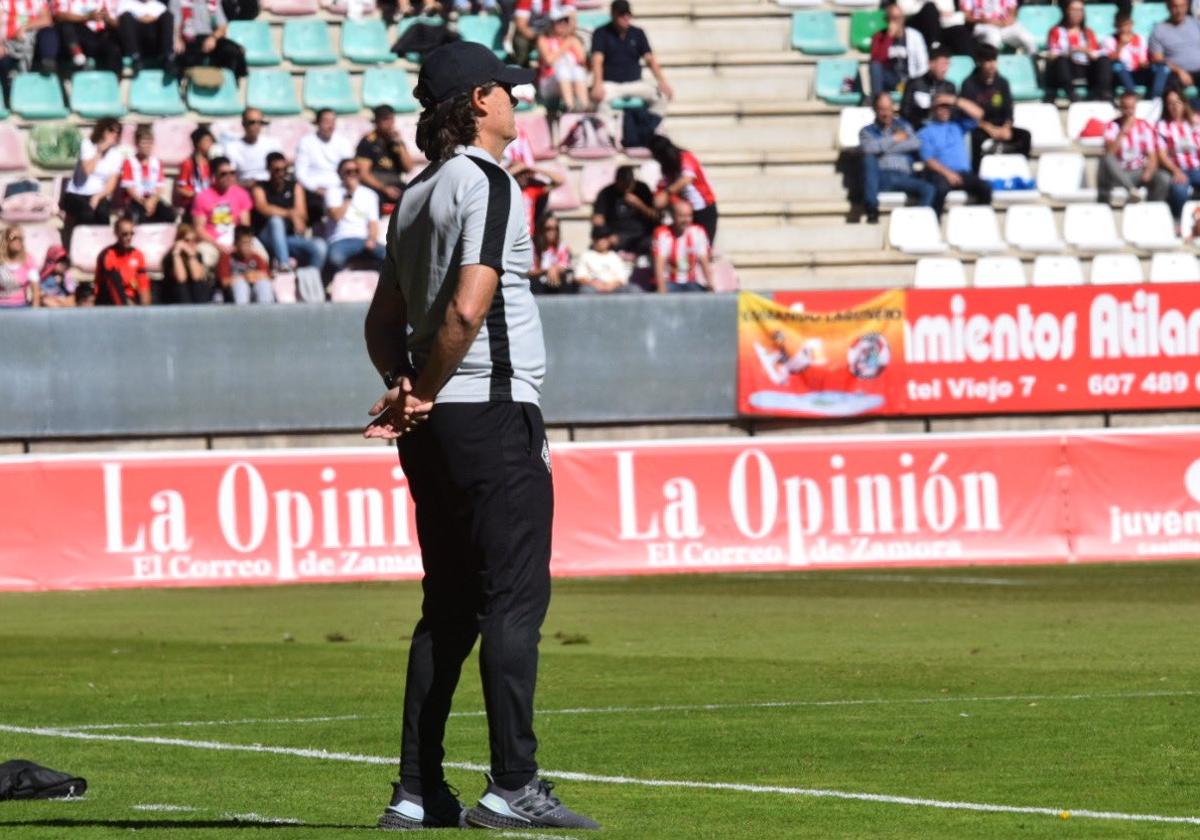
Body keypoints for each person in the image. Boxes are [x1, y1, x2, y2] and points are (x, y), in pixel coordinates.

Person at [362, 40, 598, 833]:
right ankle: (514, 784)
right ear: (478, 103)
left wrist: (405, 390)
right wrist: (422, 391)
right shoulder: (488, 183)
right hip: (489, 413)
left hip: (434, 426)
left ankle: (416, 789)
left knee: (449, 608)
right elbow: (468, 309)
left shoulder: (415, 190)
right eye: (507, 91)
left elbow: (383, 319)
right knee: (513, 601)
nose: (517, 102)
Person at [859, 92, 936, 224]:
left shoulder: (904, 126)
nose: (886, 113)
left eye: (889, 108)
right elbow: (868, 148)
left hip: (904, 176)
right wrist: (895, 139)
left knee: (929, 189)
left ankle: (919, 225)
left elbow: (915, 143)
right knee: (868, 159)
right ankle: (872, 210)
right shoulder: (866, 131)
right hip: (882, 177)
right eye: (882, 109)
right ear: (875, 110)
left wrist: (882, 148)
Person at [589, 0, 672, 117]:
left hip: (635, 83)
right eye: (621, 14)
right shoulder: (601, 33)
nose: (626, 18)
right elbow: (597, 60)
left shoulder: (638, 33)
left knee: (662, 97)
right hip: (611, 85)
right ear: (613, 14)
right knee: (599, 101)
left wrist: (662, 82)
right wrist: (597, 84)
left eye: (628, 14)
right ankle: (611, 134)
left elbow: (649, 59)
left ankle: (646, 130)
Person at [959, 43, 1031, 171]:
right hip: (981, 128)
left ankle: (1019, 170)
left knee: (1025, 136)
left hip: (1002, 127)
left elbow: (1009, 109)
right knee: (976, 139)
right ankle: (977, 172)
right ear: (980, 62)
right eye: (988, 61)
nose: (992, 65)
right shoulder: (969, 84)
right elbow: (969, 116)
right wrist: (991, 129)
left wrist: (1006, 127)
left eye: (994, 60)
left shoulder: (1002, 82)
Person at [918, 91, 990, 216]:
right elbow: (928, 159)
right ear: (933, 109)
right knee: (939, 189)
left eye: (947, 107)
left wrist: (953, 100)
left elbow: (979, 114)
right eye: (940, 107)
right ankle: (935, 223)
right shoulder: (925, 132)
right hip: (940, 173)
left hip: (963, 173)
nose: (944, 110)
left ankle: (979, 221)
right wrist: (948, 174)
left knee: (985, 188)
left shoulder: (957, 126)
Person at [252, 151, 326, 271]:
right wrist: (290, 214)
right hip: (266, 237)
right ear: (268, 169)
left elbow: (302, 214)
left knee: (320, 246)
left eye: (284, 169)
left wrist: (297, 218)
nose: (281, 173)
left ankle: (311, 279)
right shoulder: (260, 187)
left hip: (287, 238)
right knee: (276, 221)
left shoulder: (294, 187)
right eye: (276, 170)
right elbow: (263, 208)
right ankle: (284, 265)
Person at [61, 117, 124, 247]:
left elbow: (111, 184)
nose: (114, 135)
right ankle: (80, 247)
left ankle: (102, 247)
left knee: (103, 212)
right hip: (76, 193)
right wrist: (99, 152)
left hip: (97, 193)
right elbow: (87, 171)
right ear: (102, 131)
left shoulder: (117, 155)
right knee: (86, 213)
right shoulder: (87, 145)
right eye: (111, 131)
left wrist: (98, 197)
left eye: (117, 132)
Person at [1100, 91, 1169, 205]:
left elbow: (1152, 155)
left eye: (1131, 108)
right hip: (1119, 174)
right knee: (1106, 159)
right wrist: (1122, 132)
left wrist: (1149, 171)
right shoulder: (1112, 126)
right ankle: (1132, 190)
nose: (1129, 111)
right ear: (1121, 108)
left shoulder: (1144, 126)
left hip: (1138, 172)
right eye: (1126, 108)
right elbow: (1110, 152)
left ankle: (1154, 208)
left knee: (1163, 178)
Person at [324, 156, 386, 281]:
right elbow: (336, 216)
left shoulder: (370, 194)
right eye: (348, 172)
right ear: (340, 174)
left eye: (356, 171)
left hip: (363, 239)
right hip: (340, 239)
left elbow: (373, 223)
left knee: (389, 257)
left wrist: (372, 239)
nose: (352, 175)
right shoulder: (332, 192)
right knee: (335, 258)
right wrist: (349, 197)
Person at [649, 134, 717, 243]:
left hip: (703, 208)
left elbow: (687, 178)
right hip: (685, 212)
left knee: (703, 244)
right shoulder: (667, 168)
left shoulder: (685, 157)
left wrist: (667, 193)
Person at [1044, 0, 1112, 103]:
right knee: (1061, 61)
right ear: (1066, 11)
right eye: (1074, 10)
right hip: (1067, 68)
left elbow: (1095, 53)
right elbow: (1052, 54)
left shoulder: (1088, 32)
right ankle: (1072, 95)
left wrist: (1086, 51)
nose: (1077, 13)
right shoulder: (1056, 31)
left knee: (1104, 60)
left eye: (1080, 10)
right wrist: (1070, 52)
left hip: (1085, 66)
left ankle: (1102, 93)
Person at [295, 108, 355, 223]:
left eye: (333, 121)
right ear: (317, 123)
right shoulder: (306, 142)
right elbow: (300, 173)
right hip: (315, 190)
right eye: (326, 121)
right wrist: (316, 189)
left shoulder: (343, 143)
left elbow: (349, 169)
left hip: (339, 188)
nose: (330, 125)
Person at [192, 155, 253, 266]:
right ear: (214, 176)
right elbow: (199, 229)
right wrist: (218, 245)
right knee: (204, 256)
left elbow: (245, 225)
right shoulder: (202, 197)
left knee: (261, 255)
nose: (229, 177)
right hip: (212, 241)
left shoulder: (241, 194)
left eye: (232, 173)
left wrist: (239, 245)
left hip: (237, 239)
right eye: (223, 174)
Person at [355, 104, 414, 209]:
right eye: (385, 120)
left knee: (415, 195)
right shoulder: (368, 142)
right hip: (376, 186)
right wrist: (385, 188)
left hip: (396, 183)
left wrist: (400, 144)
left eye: (391, 119)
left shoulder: (396, 141)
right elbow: (363, 174)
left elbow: (409, 168)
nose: (390, 124)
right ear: (377, 122)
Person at [170, 0, 246, 79]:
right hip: (188, 38)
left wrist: (213, 38)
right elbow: (175, 24)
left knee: (232, 50)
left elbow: (223, 26)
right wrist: (177, 39)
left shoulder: (213, 2)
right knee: (186, 56)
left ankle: (230, 83)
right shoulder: (177, 1)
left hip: (210, 37)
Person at [1156, 88, 1200, 220]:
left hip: (1197, 168)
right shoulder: (1162, 126)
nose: (1174, 107)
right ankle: (1178, 220)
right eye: (1170, 103)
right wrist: (1176, 171)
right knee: (1179, 191)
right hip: (1178, 169)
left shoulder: (1195, 122)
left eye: (1177, 103)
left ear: (1184, 103)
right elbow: (1162, 155)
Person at [591, 164, 656, 254]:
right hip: (616, 234)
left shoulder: (642, 189)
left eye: (629, 185)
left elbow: (654, 216)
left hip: (640, 234)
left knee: (651, 242)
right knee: (598, 244)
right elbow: (598, 219)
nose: (626, 188)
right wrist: (607, 236)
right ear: (617, 181)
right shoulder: (606, 193)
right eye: (623, 185)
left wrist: (640, 205)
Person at [868, 3, 927, 99]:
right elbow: (877, 60)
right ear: (887, 20)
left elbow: (922, 65)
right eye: (893, 18)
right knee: (875, 65)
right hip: (890, 79)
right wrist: (888, 38)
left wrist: (913, 83)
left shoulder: (915, 36)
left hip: (910, 79)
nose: (896, 22)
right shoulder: (879, 36)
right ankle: (877, 100)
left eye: (899, 18)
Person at [0, 0, 56, 101]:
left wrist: (25, 27)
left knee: (48, 32)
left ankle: (47, 64)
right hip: (7, 45)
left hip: (30, 44)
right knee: (4, 62)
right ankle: (9, 99)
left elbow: (47, 20)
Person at [652, 199, 711, 293]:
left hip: (691, 282)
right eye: (681, 216)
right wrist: (661, 288)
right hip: (670, 282)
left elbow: (704, 261)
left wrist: (710, 284)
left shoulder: (698, 232)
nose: (686, 220)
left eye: (689, 216)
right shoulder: (662, 233)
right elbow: (659, 263)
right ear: (673, 216)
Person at [121, 123, 175, 223]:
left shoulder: (157, 162)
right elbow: (129, 188)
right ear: (137, 144)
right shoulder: (129, 162)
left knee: (169, 214)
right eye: (144, 143)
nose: (147, 146)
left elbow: (159, 187)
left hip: (152, 197)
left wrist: (152, 201)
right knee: (138, 216)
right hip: (136, 199)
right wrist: (143, 202)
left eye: (149, 143)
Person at [536, 9, 587, 111]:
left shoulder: (573, 39)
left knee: (577, 71)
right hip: (549, 82)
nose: (563, 24)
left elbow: (582, 60)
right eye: (559, 21)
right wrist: (565, 46)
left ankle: (584, 106)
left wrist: (574, 43)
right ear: (551, 23)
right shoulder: (543, 40)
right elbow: (548, 61)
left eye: (565, 21)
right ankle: (570, 106)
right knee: (562, 70)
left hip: (572, 81)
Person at [1149, 0, 1200, 101]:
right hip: (1176, 73)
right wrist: (1179, 71)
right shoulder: (1159, 30)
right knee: (1171, 85)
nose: (1179, 10)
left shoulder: (1196, 24)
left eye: (1182, 6)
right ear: (1168, 7)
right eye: (1175, 6)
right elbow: (1157, 58)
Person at [94, 216, 150, 305]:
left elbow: (143, 284)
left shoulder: (138, 255)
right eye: (125, 234)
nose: (129, 237)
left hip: (131, 299)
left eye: (131, 234)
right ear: (116, 233)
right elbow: (112, 285)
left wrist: (145, 311)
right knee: (114, 277)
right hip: (109, 299)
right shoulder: (108, 255)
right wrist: (125, 308)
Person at [52, 0, 121, 72]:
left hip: (100, 36)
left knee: (113, 48)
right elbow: (58, 16)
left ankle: (117, 78)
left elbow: (118, 24)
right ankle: (78, 57)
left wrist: (107, 18)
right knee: (66, 25)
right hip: (77, 36)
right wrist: (86, 17)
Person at [899, 45, 956, 130]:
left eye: (948, 64)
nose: (945, 69)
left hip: (942, 130)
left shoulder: (949, 87)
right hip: (918, 129)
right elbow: (905, 111)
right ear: (931, 64)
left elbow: (954, 114)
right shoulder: (914, 84)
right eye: (943, 64)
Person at [225, 107, 282, 187]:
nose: (256, 126)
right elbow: (229, 177)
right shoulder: (232, 147)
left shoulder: (272, 144)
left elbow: (280, 170)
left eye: (259, 122)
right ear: (243, 124)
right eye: (252, 122)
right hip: (244, 189)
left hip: (270, 188)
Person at [218, 225, 274, 304]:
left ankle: (266, 312)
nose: (247, 247)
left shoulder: (256, 258)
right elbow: (224, 282)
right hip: (234, 296)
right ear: (236, 243)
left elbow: (268, 276)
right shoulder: (227, 258)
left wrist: (255, 275)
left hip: (254, 292)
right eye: (244, 243)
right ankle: (242, 313)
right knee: (240, 285)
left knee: (263, 284)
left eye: (249, 243)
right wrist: (244, 277)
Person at [163, 221, 216, 303]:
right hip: (177, 293)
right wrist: (176, 254)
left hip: (196, 293)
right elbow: (181, 279)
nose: (191, 244)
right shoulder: (171, 256)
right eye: (187, 240)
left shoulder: (197, 255)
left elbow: (196, 277)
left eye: (194, 240)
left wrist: (191, 255)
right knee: (181, 287)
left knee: (198, 285)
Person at [1106, 10, 1155, 96]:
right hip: (1119, 75)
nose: (1126, 28)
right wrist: (1121, 45)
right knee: (1118, 66)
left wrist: (1144, 64)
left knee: (1158, 68)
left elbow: (1143, 59)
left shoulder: (1140, 39)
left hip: (1137, 72)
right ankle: (1133, 94)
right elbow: (1110, 60)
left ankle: (1153, 96)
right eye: (1122, 26)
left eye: (1128, 25)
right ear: (1116, 27)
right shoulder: (1110, 40)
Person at [511, 0, 573, 67]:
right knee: (521, 41)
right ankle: (521, 66)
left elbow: (571, 19)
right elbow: (521, 25)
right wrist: (540, 38)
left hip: (552, 32)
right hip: (533, 33)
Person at [960, 0, 1036, 55]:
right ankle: (994, 70)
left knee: (1028, 39)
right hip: (983, 24)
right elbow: (967, 17)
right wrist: (987, 21)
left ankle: (1033, 68)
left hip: (1005, 25)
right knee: (994, 38)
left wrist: (1005, 22)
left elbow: (1013, 13)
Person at [575, 224, 636, 293]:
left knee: (633, 289)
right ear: (593, 240)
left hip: (614, 288)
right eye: (598, 238)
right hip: (593, 288)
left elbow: (622, 278)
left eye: (604, 238)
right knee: (586, 290)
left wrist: (611, 285)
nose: (601, 242)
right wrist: (593, 284)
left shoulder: (615, 257)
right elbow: (579, 277)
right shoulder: (586, 256)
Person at [116, 0, 172, 73]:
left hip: (154, 42)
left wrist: (141, 18)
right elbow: (118, 22)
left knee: (167, 17)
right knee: (126, 18)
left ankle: (167, 57)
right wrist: (147, 19)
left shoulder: (159, 6)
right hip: (135, 42)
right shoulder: (126, 3)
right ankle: (135, 57)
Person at [509, 161, 563, 236]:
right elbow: (499, 178)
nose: (524, 176)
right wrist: (518, 169)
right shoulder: (507, 190)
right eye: (520, 174)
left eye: (526, 173)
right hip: (510, 233)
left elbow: (560, 181)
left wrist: (532, 168)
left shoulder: (532, 191)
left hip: (527, 234)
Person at [174, 126, 213, 216]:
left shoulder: (211, 163)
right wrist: (194, 195)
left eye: (211, 141)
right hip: (192, 204)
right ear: (198, 143)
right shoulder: (188, 164)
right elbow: (180, 188)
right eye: (207, 141)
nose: (210, 144)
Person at [529, 214, 573, 293]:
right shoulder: (532, 246)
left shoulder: (562, 246)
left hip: (556, 282)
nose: (553, 232)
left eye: (556, 229)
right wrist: (547, 270)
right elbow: (529, 271)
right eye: (548, 229)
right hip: (536, 282)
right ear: (541, 229)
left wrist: (555, 269)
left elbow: (565, 265)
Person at [0, 225, 40, 308]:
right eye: (14, 238)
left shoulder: (29, 260)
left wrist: (35, 311)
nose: (18, 241)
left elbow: (35, 290)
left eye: (21, 238)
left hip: (20, 306)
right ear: (6, 240)